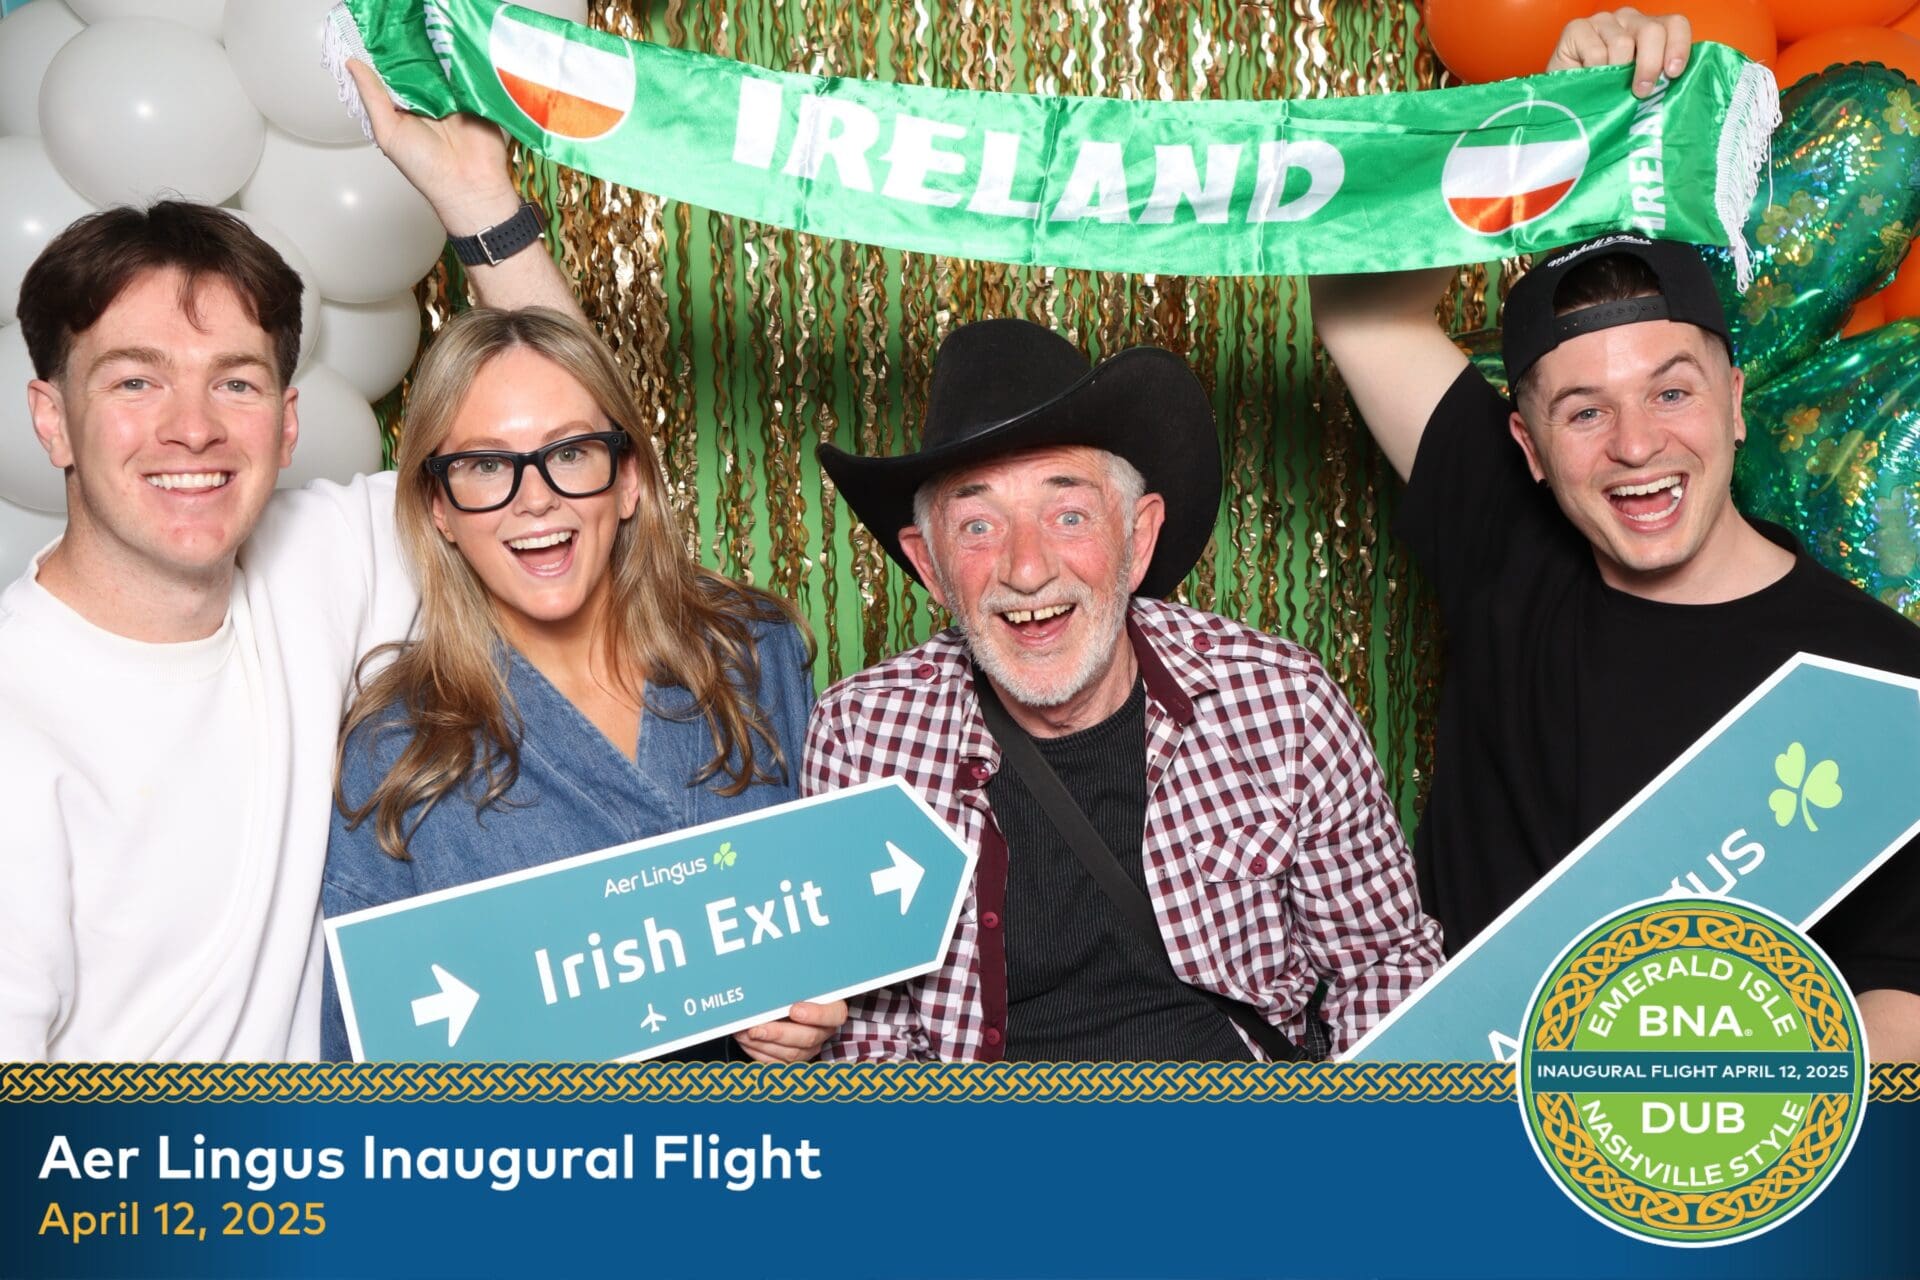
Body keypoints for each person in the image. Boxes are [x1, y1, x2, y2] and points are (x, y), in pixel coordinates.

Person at [1308, 9, 1920, 1059]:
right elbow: (1363, 314)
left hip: (1725, 1140)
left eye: (1671, 392)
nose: (1636, 444)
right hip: (1455, 1118)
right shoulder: (1508, 540)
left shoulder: (1880, 681)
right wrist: (1534, 130)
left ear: (1735, 401)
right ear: (1529, 445)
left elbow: (1902, 1005)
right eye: (1584, 411)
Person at [803, 317, 1442, 1062]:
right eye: (977, 526)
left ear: (1138, 539)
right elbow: (869, 1036)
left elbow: (1381, 965)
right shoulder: (860, 733)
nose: (1028, 569)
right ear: (930, 566)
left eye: (1068, 514)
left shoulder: (1282, 698)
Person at [319, 308, 843, 1063]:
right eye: (486, 465)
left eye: (569, 452)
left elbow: (823, 912)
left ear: (628, 480)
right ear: (439, 509)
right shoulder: (397, 750)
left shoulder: (752, 652)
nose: (534, 498)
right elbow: (364, 1068)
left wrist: (813, 1007)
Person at [0, 201, 415, 1060]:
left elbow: (568, 445)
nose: (194, 428)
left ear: (287, 423)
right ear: (52, 420)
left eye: (235, 383)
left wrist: (481, 210)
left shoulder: (316, 558)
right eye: (134, 382)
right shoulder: (18, 719)